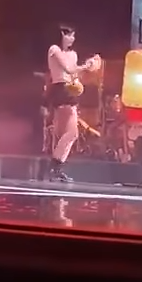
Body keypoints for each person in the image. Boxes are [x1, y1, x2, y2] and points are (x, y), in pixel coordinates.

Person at [44, 25, 101, 180]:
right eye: (69, 35)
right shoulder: (54, 49)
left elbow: (73, 73)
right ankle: (54, 167)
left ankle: (56, 169)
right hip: (61, 90)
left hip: (68, 90)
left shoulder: (73, 54)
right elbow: (69, 69)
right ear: (62, 35)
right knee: (71, 134)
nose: (72, 39)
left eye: (74, 36)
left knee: (65, 134)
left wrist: (90, 65)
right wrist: (86, 66)